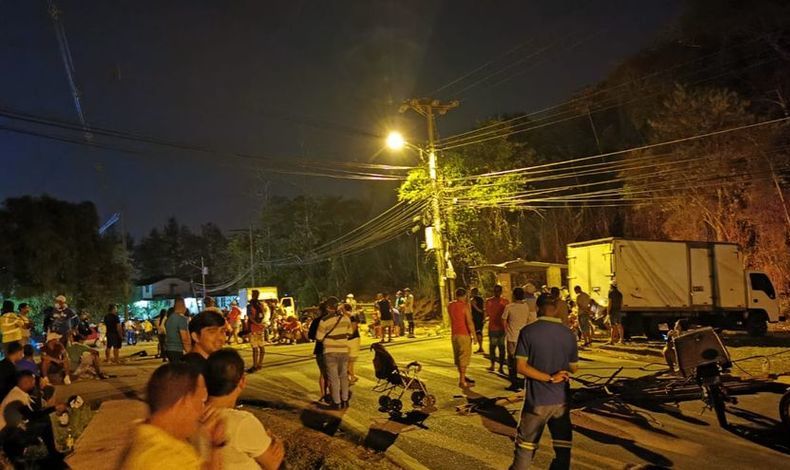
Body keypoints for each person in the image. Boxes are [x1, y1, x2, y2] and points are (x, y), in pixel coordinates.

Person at [510, 293, 579, 470]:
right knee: (563, 450)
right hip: (561, 403)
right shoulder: (568, 333)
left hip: (537, 402)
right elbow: (573, 367)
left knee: (525, 450)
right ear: (555, 309)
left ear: (537, 308)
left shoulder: (528, 332)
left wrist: (548, 378)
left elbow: (521, 367)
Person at [120, 362, 225, 470]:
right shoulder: (164, 460)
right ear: (185, 402)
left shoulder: (154, 438)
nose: (203, 411)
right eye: (201, 402)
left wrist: (216, 444)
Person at [203, 349, 285, 469]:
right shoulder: (242, 422)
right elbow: (273, 463)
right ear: (242, 381)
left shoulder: (194, 415)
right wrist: (278, 445)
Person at [316, 297, 352, 409]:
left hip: (330, 352)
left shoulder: (324, 320)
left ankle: (337, 402)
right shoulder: (346, 318)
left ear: (327, 307)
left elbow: (319, 337)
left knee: (334, 378)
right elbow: (350, 333)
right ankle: (345, 400)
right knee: (344, 376)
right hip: (344, 351)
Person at [502, 287, 536, 392]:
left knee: (512, 361)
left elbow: (503, 321)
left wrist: (507, 331)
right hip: (523, 338)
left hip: (512, 337)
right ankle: (527, 381)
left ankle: (514, 383)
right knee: (524, 360)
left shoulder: (509, 307)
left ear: (514, 296)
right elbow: (530, 320)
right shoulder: (526, 307)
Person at [448, 288, 476, 389]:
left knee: (458, 357)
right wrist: (475, 336)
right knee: (464, 358)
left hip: (454, 334)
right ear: (464, 296)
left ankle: (462, 377)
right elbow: (469, 322)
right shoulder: (464, 307)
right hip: (464, 334)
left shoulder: (450, 305)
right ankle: (462, 381)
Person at [307, 302, 330, 403]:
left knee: (323, 373)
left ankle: (324, 394)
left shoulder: (317, 321)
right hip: (334, 349)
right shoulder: (334, 319)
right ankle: (335, 395)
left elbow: (311, 335)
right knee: (333, 373)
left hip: (321, 349)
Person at [485, 285, 509, 373]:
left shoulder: (488, 301)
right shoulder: (505, 302)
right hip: (501, 328)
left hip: (493, 328)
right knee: (501, 348)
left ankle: (493, 365)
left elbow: (487, 313)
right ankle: (501, 367)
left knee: (493, 347)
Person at [165, 297, 191, 363]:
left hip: (169, 349)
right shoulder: (182, 319)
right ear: (183, 306)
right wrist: (189, 351)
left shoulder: (169, 319)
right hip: (178, 349)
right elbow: (184, 338)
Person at [247, 290, 266, 372]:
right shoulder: (261, 305)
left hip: (253, 328)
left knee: (255, 348)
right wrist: (260, 324)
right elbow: (263, 315)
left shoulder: (250, 305)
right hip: (260, 327)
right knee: (261, 346)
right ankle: (260, 364)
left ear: (252, 295)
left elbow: (250, 317)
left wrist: (256, 324)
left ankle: (255, 365)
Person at [346, 304, 361, 383]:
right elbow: (354, 328)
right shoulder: (352, 316)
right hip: (353, 339)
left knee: (348, 360)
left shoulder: (342, 317)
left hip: (346, 340)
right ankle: (351, 377)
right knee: (351, 360)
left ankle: (351, 375)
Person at [470, 287, 485, 354]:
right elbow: (484, 309)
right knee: (480, 332)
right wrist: (484, 317)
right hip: (481, 318)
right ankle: (480, 347)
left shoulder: (473, 300)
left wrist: (474, 305)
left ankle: (481, 347)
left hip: (476, 318)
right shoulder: (481, 299)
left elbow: (478, 309)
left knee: (478, 332)